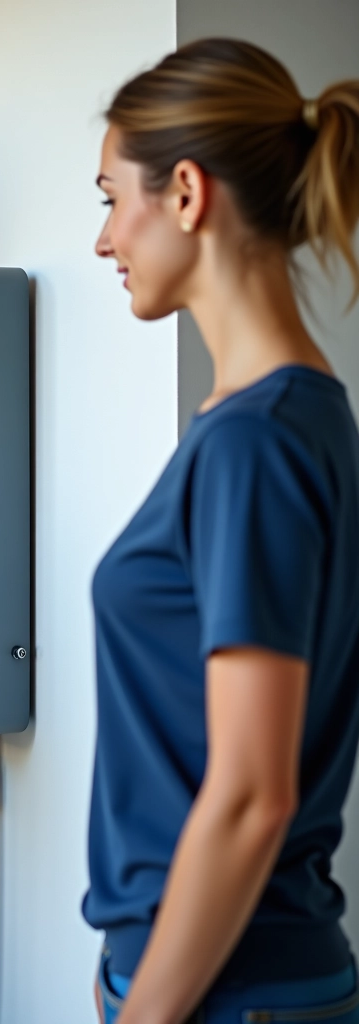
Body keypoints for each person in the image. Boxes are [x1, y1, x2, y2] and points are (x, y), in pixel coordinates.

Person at [85, 39, 359, 1024]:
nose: (104, 239)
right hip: (211, 972)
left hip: (227, 986)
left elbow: (251, 797)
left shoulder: (258, 442)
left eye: (112, 197)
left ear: (188, 193)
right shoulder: (290, 417)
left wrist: (146, 1010)